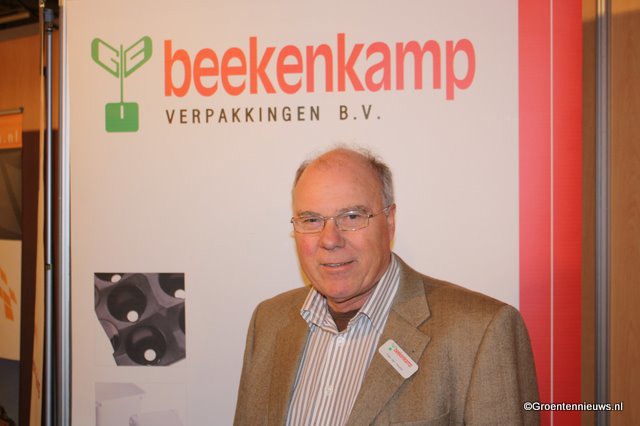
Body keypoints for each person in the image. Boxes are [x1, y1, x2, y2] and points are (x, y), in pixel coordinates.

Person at [234, 147, 539, 425]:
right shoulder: (268, 322)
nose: (330, 240)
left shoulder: (480, 333)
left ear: (390, 221)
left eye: (351, 216)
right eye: (312, 220)